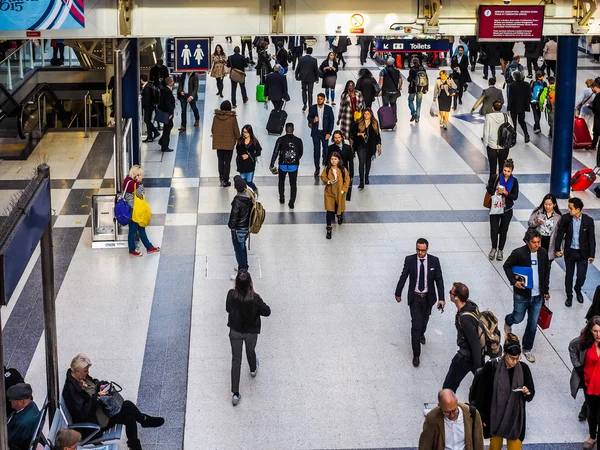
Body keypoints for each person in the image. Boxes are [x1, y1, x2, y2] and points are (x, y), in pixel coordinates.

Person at [62, 354, 164, 450]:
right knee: (127, 406)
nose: (88, 372)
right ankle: (143, 420)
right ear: (77, 370)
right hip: (93, 425)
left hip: (101, 414)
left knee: (130, 417)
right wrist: (97, 397)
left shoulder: (82, 377)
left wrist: (101, 385)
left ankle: (136, 445)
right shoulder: (70, 390)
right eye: (85, 371)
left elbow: (94, 384)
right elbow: (83, 413)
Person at [469, 334, 535, 450]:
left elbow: (530, 395)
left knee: (515, 447)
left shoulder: (523, 369)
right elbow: (481, 393)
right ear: (505, 354)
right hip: (494, 416)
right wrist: (482, 417)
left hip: (514, 417)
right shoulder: (492, 366)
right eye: (511, 358)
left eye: (517, 358)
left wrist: (527, 392)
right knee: (495, 446)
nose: (514, 362)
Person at [395, 238, 445, 367]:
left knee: (425, 320)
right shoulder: (410, 260)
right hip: (415, 298)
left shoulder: (434, 261)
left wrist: (441, 298)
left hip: (428, 298)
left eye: (422, 250)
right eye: (418, 250)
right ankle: (416, 355)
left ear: (427, 249)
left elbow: (439, 280)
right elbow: (404, 276)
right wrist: (398, 292)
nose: (420, 253)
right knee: (415, 325)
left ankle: (422, 333)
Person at [503, 228, 550, 363]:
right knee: (518, 317)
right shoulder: (518, 253)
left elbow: (546, 272)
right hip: (522, 295)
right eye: (534, 242)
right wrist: (514, 281)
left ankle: (527, 348)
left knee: (533, 324)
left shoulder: (543, 253)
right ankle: (509, 320)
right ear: (527, 242)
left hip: (537, 296)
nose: (537, 245)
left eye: (538, 242)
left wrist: (546, 290)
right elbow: (507, 266)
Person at [226, 269, 271, 406]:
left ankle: (235, 393)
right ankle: (252, 369)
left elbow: (228, 309)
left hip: (235, 331)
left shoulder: (231, 294)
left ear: (237, 283)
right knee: (250, 351)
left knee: (236, 359)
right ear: (250, 282)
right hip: (251, 332)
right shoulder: (255, 298)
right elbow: (267, 312)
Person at [442, 282, 483, 392]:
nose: (449, 293)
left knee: (448, 387)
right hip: (473, 356)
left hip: (465, 357)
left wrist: (478, 368)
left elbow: (475, 344)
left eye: (451, 292)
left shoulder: (465, 319)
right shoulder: (470, 305)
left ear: (456, 298)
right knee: (484, 384)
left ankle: (446, 407)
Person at [555, 197, 596, 306]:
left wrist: (592, 255)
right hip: (570, 252)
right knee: (569, 274)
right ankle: (569, 295)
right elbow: (560, 234)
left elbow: (591, 239)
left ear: (578, 209)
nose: (568, 210)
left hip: (583, 253)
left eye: (571, 208)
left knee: (581, 276)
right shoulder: (566, 219)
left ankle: (578, 288)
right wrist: (557, 248)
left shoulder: (588, 221)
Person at [418, 389, 484, 450]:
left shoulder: (472, 413)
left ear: (456, 401)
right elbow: (425, 444)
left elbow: (478, 441)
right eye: (447, 412)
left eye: (454, 410)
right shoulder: (432, 417)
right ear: (439, 405)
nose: (452, 415)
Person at [570, 317, 600, 449]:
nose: (598, 335)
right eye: (595, 331)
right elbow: (571, 347)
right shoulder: (584, 343)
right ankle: (592, 436)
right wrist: (577, 367)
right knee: (592, 413)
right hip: (590, 385)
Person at [122, 165, 160, 257]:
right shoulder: (134, 185)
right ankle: (132, 250)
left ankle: (149, 247)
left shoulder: (127, 180)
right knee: (133, 231)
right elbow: (141, 194)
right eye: (140, 175)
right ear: (136, 176)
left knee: (141, 229)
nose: (141, 177)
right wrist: (140, 184)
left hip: (130, 209)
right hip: (134, 211)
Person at [487, 159, 519, 261]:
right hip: (495, 208)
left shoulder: (514, 182)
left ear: (512, 171)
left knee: (503, 231)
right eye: (505, 170)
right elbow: (488, 188)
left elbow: (515, 196)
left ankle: (500, 250)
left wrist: (506, 192)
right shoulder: (495, 178)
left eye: (508, 171)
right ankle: (493, 248)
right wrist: (495, 192)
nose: (506, 173)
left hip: (507, 209)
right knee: (494, 229)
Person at [527, 194, 562, 280]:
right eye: (545, 204)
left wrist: (560, 248)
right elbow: (530, 223)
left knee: (547, 267)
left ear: (554, 204)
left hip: (550, 242)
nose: (547, 206)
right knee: (537, 264)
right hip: (539, 241)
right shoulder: (538, 212)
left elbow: (560, 234)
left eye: (550, 204)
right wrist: (537, 222)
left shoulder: (558, 217)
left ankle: (545, 288)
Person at [270, 123, 303, 208]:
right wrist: (296, 159)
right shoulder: (298, 140)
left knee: (281, 181)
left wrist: (272, 164)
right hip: (294, 165)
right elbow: (300, 153)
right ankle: (291, 202)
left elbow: (275, 152)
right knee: (293, 184)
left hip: (283, 165)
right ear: (293, 129)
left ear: (285, 129)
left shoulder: (280, 139)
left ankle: (282, 198)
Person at [211, 100, 241, 187]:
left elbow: (212, 130)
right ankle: (226, 180)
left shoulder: (216, 117)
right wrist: (239, 140)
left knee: (220, 160)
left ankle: (221, 176)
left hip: (218, 144)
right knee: (227, 162)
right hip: (229, 144)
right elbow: (236, 131)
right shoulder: (232, 118)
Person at [320, 151, 350, 238]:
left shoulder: (343, 170)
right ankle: (329, 228)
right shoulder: (327, 169)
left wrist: (343, 190)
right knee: (329, 211)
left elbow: (347, 180)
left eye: (335, 159)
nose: (333, 161)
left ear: (339, 160)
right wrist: (328, 181)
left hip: (339, 192)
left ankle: (339, 215)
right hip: (329, 193)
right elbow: (323, 176)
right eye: (332, 159)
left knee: (338, 206)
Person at [350, 108, 380, 189]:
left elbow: (377, 135)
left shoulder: (375, 123)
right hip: (360, 145)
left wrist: (379, 145)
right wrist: (359, 134)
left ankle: (366, 176)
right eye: (365, 114)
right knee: (361, 162)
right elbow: (352, 133)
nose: (366, 115)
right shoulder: (359, 122)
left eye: (368, 114)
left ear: (371, 115)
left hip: (370, 146)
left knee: (368, 162)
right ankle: (361, 181)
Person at [228, 176, 252, 273]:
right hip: (246, 227)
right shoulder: (249, 195)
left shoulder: (237, 201)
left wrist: (230, 226)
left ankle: (242, 270)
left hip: (238, 229)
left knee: (239, 250)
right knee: (243, 247)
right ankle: (243, 266)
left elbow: (233, 218)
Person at [483, 100, 512, 182]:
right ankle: (501, 183)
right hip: (504, 146)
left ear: (492, 107)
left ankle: (492, 184)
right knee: (502, 167)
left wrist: (486, 143)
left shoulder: (488, 117)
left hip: (492, 146)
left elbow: (486, 132)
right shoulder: (506, 117)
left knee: (492, 166)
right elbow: (511, 130)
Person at [7, 383, 40, 450]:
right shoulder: (32, 404)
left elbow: (8, 441)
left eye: (12, 399)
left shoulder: (22, 423)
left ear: (21, 402)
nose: (10, 400)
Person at [307, 93, 335, 175]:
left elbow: (331, 121)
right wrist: (313, 120)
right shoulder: (312, 108)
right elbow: (309, 117)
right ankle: (317, 168)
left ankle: (325, 160)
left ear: (324, 99)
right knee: (316, 150)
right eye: (318, 99)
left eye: (321, 99)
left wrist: (329, 133)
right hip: (316, 133)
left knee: (326, 149)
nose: (319, 100)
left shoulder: (328, 109)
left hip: (325, 133)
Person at [236, 125, 262, 195]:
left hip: (250, 164)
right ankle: (244, 194)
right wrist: (242, 154)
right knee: (243, 181)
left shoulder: (254, 141)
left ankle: (254, 189)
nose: (245, 134)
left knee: (249, 181)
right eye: (243, 132)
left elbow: (258, 152)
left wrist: (249, 155)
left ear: (250, 132)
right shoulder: (240, 140)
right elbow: (237, 151)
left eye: (246, 132)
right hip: (241, 163)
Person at [507, 72, 531, 143]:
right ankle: (526, 134)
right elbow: (529, 95)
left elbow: (510, 97)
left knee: (513, 122)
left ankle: (514, 138)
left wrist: (508, 107)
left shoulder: (512, 85)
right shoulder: (526, 84)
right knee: (522, 121)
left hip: (514, 107)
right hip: (522, 106)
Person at [295, 47, 320, 111]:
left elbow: (298, 68)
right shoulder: (314, 60)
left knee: (303, 90)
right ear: (311, 52)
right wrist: (317, 78)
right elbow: (316, 70)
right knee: (310, 92)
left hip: (303, 77)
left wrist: (296, 76)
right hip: (311, 78)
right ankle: (310, 105)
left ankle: (304, 103)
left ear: (306, 51)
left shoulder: (301, 59)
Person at [406, 57, 429, 123]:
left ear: (413, 62)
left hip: (413, 88)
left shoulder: (412, 69)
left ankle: (414, 113)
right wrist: (426, 88)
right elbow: (426, 78)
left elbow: (409, 79)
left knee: (410, 101)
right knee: (418, 104)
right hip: (421, 88)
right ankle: (417, 118)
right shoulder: (423, 69)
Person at [157, 76, 175, 152]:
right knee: (167, 128)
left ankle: (162, 141)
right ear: (169, 83)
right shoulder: (167, 91)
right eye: (172, 81)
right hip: (167, 112)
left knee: (169, 126)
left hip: (165, 111)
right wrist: (171, 113)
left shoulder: (164, 89)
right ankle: (164, 146)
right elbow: (167, 103)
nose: (173, 82)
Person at [140, 74, 160, 143]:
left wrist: (143, 106)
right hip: (150, 107)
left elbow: (147, 99)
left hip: (148, 107)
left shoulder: (147, 88)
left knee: (147, 120)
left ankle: (152, 134)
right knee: (147, 121)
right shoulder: (149, 86)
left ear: (141, 80)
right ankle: (151, 135)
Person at [451, 45, 471, 109]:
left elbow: (466, 66)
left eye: (461, 50)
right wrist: (454, 68)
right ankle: (455, 103)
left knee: (461, 88)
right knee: (456, 88)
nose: (460, 51)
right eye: (459, 50)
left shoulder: (465, 57)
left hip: (462, 75)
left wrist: (459, 66)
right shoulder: (454, 57)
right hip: (456, 75)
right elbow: (452, 65)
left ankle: (460, 99)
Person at [589, 82, 600, 150]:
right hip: (598, 116)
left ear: (595, 87)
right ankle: (593, 145)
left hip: (598, 117)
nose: (592, 90)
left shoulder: (598, 96)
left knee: (597, 131)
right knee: (595, 131)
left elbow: (598, 108)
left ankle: (594, 145)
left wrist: (590, 107)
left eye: (592, 88)